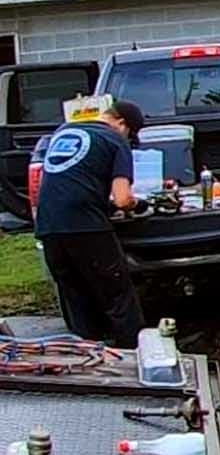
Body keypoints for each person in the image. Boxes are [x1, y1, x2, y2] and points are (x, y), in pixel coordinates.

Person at [34, 100, 146, 347]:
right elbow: (123, 198)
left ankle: (87, 360)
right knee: (118, 297)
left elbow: (67, 184)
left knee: (77, 297)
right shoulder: (115, 140)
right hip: (86, 227)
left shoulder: (64, 132)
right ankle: (133, 357)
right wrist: (138, 205)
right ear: (121, 123)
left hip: (48, 226)